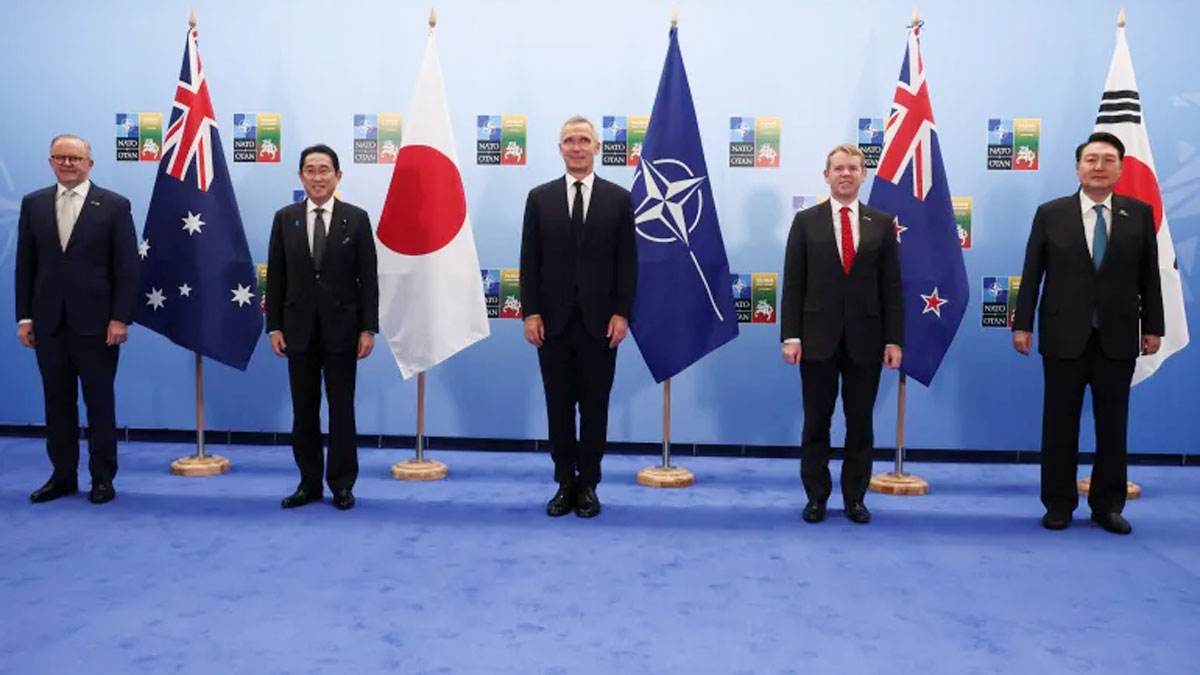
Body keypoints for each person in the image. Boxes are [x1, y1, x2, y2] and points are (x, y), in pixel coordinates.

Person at [1012, 131, 1163, 535]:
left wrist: (1153, 326)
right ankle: (1058, 504)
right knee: (1059, 424)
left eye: (1108, 160)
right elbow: (1032, 273)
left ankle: (1107, 505)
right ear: (1078, 168)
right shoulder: (1051, 213)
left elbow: (1150, 275)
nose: (1099, 167)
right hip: (1063, 333)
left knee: (1113, 426)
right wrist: (1022, 324)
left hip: (1118, 335)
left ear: (1121, 168)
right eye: (1091, 159)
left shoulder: (1139, 213)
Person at [519, 116, 637, 518]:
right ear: (560, 148)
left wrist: (622, 313)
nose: (576, 146)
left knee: (595, 408)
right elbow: (529, 260)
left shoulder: (619, 199)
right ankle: (564, 484)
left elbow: (627, 263)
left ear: (597, 147)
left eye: (584, 140)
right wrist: (531, 312)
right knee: (558, 408)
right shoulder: (540, 198)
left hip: (600, 324)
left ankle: (588, 485)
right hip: (551, 324)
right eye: (569, 140)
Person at [780, 144, 903, 524]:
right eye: (838, 168)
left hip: (867, 340)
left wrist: (894, 339)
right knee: (816, 422)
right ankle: (816, 497)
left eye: (853, 168)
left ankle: (855, 499)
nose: (845, 174)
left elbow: (891, 287)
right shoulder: (806, 222)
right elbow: (794, 283)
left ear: (864, 175)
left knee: (860, 423)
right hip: (816, 339)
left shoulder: (881, 223)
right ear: (826, 175)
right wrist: (791, 336)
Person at [15, 134, 139, 504]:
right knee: (57, 404)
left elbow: (127, 268)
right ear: (50, 161)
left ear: (90, 163)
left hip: (98, 326)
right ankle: (63, 477)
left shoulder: (115, 205)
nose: (67, 163)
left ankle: (102, 478)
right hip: (49, 323)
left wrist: (120, 318)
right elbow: (25, 266)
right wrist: (25, 318)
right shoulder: (33, 203)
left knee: (99, 404)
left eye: (75, 158)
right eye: (60, 157)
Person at [266, 144, 378, 510]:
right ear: (301, 176)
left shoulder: (356, 218)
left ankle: (342, 484)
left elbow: (368, 279)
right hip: (297, 331)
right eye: (310, 170)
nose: (318, 177)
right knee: (304, 410)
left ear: (337, 176)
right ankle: (309, 483)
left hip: (343, 330)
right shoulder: (285, 218)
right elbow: (276, 277)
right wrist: (274, 326)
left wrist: (368, 328)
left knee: (342, 410)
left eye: (324, 170)